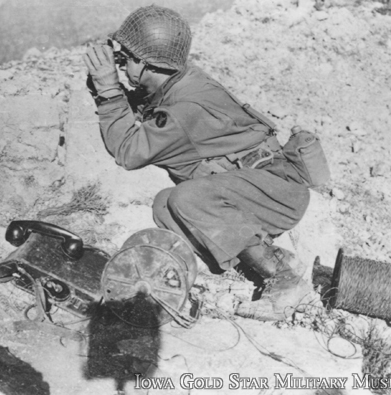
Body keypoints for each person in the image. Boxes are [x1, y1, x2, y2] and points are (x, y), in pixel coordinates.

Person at [83, 5, 312, 321]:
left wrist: (109, 91)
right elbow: (148, 110)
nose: (122, 65)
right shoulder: (180, 80)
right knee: (166, 206)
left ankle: (284, 278)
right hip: (259, 186)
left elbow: (128, 152)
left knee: (186, 198)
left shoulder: (184, 110)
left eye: (127, 58)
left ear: (149, 64)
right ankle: (264, 260)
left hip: (277, 193)